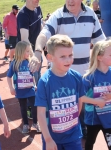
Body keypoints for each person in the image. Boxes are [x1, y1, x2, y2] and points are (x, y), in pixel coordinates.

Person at [33, 0, 106, 137]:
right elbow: (44, 34)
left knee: (81, 107)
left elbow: (101, 44)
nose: (70, 1)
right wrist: (37, 51)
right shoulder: (58, 15)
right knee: (61, 110)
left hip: (83, 75)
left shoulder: (91, 15)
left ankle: (80, 129)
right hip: (60, 77)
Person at [35, 34, 106, 150]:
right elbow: (41, 113)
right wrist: (48, 139)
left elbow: (80, 100)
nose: (68, 60)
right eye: (62, 56)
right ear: (50, 58)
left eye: (70, 55)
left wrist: (72, 121)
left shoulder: (77, 77)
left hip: (73, 135)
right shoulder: (44, 82)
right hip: (52, 138)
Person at [7, 41, 41, 134]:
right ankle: (25, 124)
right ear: (21, 51)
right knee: (23, 107)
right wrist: (11, 88)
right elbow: (8, 76)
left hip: (30, 89)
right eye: (27, 51)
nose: (29, 53)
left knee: (34, 106)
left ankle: (35, 123)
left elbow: (32, 75)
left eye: (29, 51)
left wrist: (35, 85)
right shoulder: (14, 63)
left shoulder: (29, 62)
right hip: (20, 91)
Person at [83, 39, 111, 150]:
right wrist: (96, 101)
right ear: (99, 57)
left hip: (109, 117)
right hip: (93, 119)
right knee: (89, 143)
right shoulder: (89, 77)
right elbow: (81, 98)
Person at [17, 0, 43, 83]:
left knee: (39, 75)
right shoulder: (23, 14)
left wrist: (43, 44)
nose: (38, 0)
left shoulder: (38, 8)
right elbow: (24, 38)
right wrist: (34, 56)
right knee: (33, 78)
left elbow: (40, 26)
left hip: (37, 49)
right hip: (28, 52)